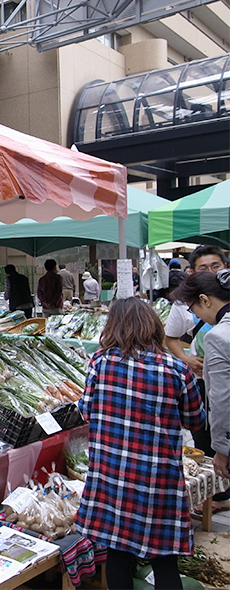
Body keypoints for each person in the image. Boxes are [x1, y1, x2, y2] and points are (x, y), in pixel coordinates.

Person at [74, 298, 204, 590]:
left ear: (114, 327)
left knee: (117, 555)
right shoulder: (177, 369)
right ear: (154, 326)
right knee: (165, 560)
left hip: (112, 477)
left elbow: (85, 409)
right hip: (159, 482)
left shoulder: (100, 363)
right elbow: (195, 420)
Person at [164, 246, 230, 508]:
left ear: (205, 300)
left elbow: (222, 399)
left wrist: (222, 450)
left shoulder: (218, 336)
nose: (195, 317)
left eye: (193, 309)